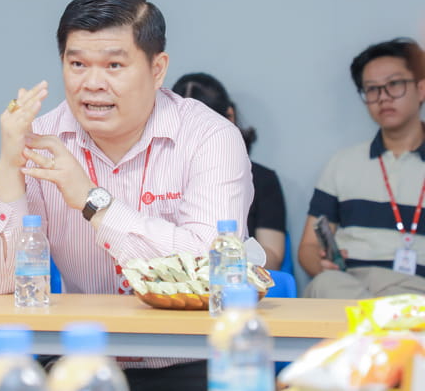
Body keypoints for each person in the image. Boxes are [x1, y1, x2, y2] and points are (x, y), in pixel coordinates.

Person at [0, 0, 253, 391]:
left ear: (157, 69)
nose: (92, 83)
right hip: (81, 362)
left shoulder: (210, 137)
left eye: (114, 65)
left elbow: (210, 273)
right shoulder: (43, 138)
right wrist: (9, 162)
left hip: (191, 360)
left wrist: (92, 201)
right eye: (77, 64)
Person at [299, 38, 425, 299]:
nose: (383, 97)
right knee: (326, 284)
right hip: (349, 285)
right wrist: (321, 264)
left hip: (416, 288)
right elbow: (308, 247)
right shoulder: (343, 163)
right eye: (372, 89)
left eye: (394, 84)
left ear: (421, 89)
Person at [171, 73, 287, 270]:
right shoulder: (155, 173)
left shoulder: (262, 179)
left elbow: (273, 258)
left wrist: (227, 253)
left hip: (233, 278)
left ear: (229, 117)